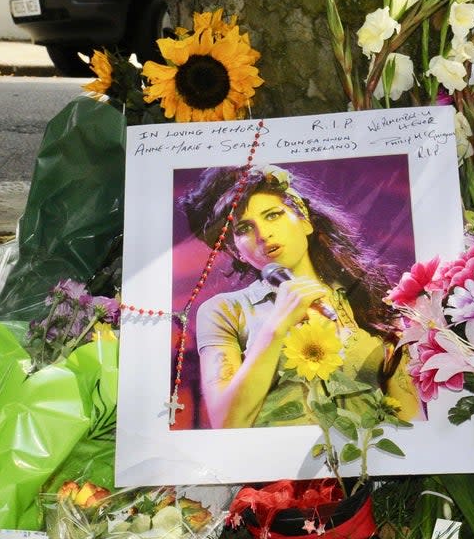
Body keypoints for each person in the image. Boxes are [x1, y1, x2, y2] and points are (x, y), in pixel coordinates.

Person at [180, 164, 420, 430]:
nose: (263, 235)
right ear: (235, 251)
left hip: (370, 463)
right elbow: (226, 422)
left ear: (304, 218)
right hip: (278, 467)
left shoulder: (372, 300)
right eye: (244, 229)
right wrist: (277, 326)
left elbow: (410, 419)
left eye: (272, 215)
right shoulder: (225, 310)